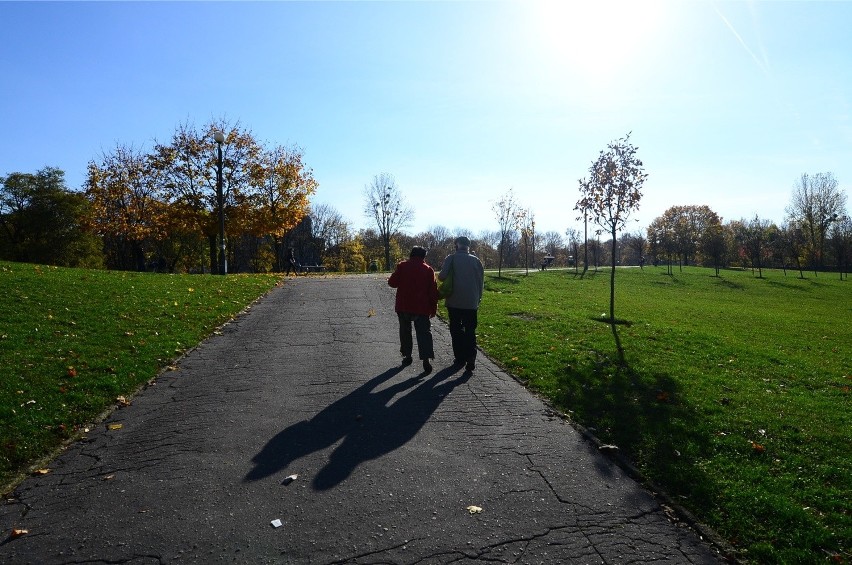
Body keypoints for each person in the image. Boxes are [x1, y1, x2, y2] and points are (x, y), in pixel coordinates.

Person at [387, 246, 439, 374]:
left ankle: (407, 355)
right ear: (423, 257)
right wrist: (433, 308)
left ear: (411, 254)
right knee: (424, 333)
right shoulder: (428, 270)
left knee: (405, 332)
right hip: (421, 307)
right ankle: (426, 359)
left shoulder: (402, 266)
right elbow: (432, 292)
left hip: (404, 305)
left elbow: (392, 283)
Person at [438, 236, 484, 372]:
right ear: (468, 246)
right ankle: (471, 357)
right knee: (470, 330)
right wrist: (478, 298)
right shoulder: (476, 260)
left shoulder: (451, 258)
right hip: (471, 301)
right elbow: (481, 282)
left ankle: (460, 358)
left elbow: (442, 276)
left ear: (456, 245)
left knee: (456, 329)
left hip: (454, 300)